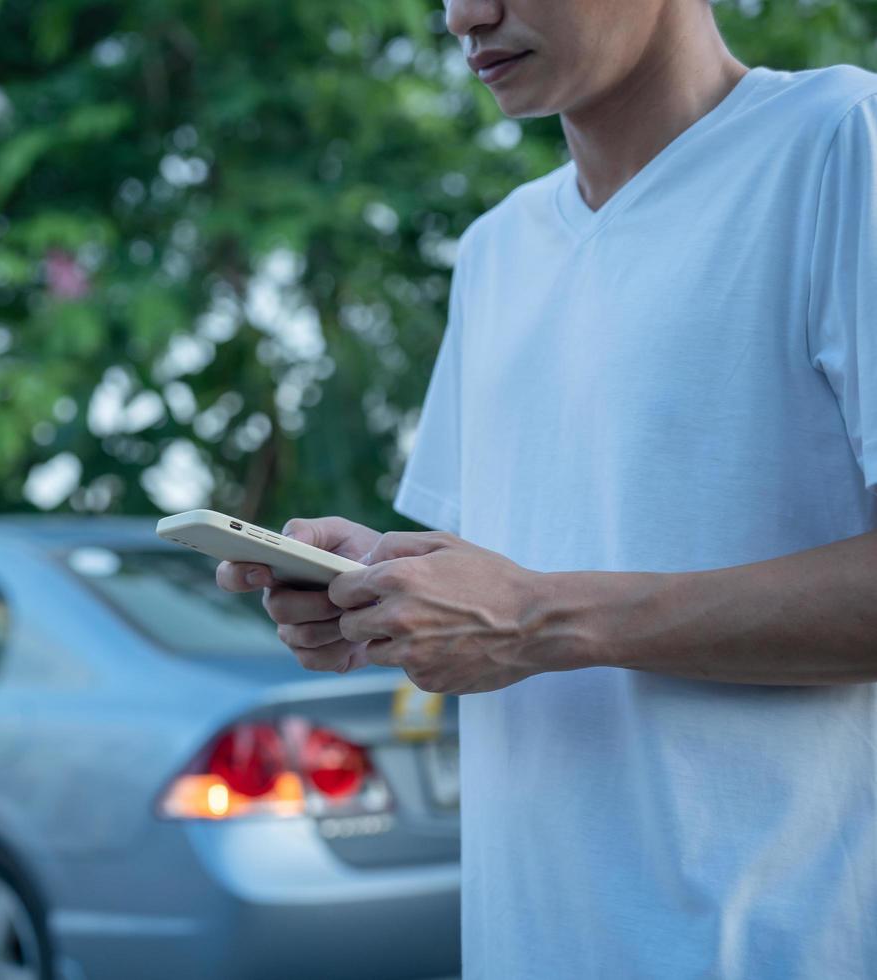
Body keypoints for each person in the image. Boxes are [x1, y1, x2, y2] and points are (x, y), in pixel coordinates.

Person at [216, 0, 877, 976]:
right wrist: (379, 593)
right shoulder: (496, 249)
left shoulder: (839, 143)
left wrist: (540, 616)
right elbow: (498, 596)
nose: (464, 15)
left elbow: (526, 610)